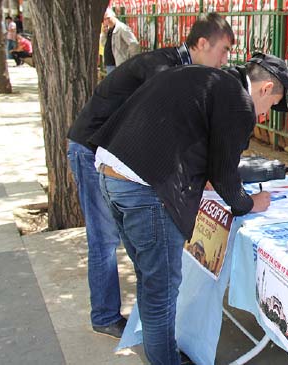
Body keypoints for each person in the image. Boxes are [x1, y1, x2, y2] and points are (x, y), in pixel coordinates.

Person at [89, 53, 288, 365]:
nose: (264, 116)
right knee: (160, 293)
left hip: (111, 173)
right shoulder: (238, 99)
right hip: (145, 189)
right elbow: (226, 174)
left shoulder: (206, 77)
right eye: (270, 106)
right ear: (265, 89)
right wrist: (250, 204)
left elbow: (185, 136)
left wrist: (202, 177)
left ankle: (162, 354)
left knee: (150, 280)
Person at [66, 13, 234, 340]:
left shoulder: (182, 68)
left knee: (142, 243)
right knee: (104, 239)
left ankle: (151, 317)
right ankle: (104, 315)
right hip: (92, 149)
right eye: (223, 51)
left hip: (112, 152)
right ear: (201, 44)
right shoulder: (164, 69)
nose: (225, 60)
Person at [100, 8, 139, 73]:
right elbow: (103, 43)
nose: (106, 21)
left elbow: (134, 43)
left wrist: (130, 60)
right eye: (104, 19)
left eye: (108, 18)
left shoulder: (121, 28)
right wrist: (104, 33)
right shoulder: (109, 29)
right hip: (109, 64)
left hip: (118, 64)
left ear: (114, 16)